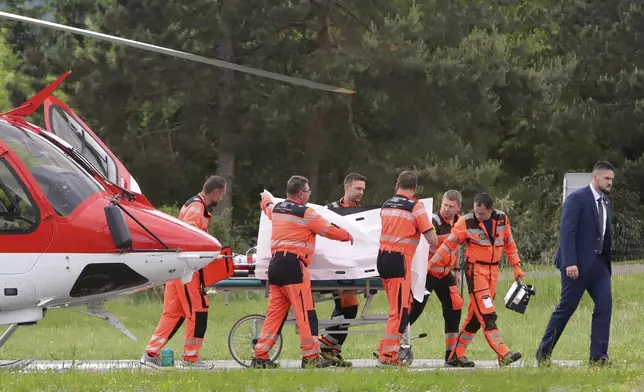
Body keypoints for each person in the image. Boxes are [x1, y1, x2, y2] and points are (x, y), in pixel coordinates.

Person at [251, 175, 354, 369]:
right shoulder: (305, 213)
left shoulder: (278, 209)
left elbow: (266, 206)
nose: (309, 195)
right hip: (293, 268)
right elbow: (327, 229)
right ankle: (311, 357)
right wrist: (348, 235)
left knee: (275, 314)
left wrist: (265, 198)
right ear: (300, 193)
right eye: (308, 191)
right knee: (306, 313)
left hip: (275, 268)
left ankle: (260, 356)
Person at [141, 175, 228, 369]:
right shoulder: (197, 208)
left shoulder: (194, 205)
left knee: (173, 314)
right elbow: (189, 239)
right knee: (198, 310)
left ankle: (151, 353)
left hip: (177, 270)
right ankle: (191, 359)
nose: (221, 199)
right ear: (215, 192)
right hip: (187, 271)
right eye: (221, 195)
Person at [429, 192, 524, 367]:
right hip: (476, 271)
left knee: (475, 316)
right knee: (487, 313)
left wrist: (516, 265)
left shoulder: (502, 219)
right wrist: (431, 262)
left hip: (493, 271)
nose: (477, 216)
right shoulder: (465, 221)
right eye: (475, 212)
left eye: (481, 214)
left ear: (490, 210)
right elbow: (449, 244)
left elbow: (509, 243)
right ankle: (503, 352)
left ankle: (456, 351)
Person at [536, 161, 615, 366]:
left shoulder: (606, 202)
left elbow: (604, 234)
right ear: (595, 177)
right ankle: (543, 353)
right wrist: (570, 262)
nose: (610, 183)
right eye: (607, 178)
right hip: (576, 266)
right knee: (566, 308)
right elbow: (567, 231)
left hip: (599, 266)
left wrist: (607, 263)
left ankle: (598, 357)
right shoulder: (577, 199)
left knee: (604, 307)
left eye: (612, 179)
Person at [376, 170, 438, 367]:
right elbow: (432, 240)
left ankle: (386, 347)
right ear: (415, 188)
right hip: (399, 261)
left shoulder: (386, 205)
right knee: (400, 311)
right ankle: (387, 356)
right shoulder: (415, 207)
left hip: (382, 259)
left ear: (397, 185)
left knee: (402, 305)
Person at [408, 190, 464, 366]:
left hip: (446, 274)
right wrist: (453, 237)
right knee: (414, 309)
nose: (446, 209)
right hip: (427, 272)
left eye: (451, 206)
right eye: (444, 205)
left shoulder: (460, 221)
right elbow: (431, 240)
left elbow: (456, 249)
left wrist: (456, 271)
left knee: (455, 308)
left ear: (458, 207)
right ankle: (389, 346)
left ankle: (452, 354)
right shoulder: (433, 220)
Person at [319, 172, 366, 367]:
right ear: (347, 187)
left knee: (347, 307)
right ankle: (327, 344)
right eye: (357, 188)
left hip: (353, 268)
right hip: (334, 267)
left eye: (363, 189)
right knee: (349, 307)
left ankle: (331, 349)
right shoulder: (329, 210)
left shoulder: (363, 212)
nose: (360, 192)